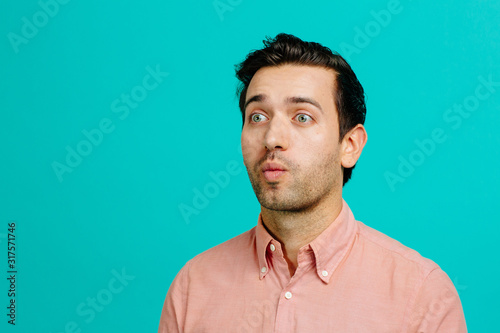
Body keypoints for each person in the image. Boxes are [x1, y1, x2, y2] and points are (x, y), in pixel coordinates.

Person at [158, 33, 467, 332]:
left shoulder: (421, 295)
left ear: (350, 145)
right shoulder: (192, 288)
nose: (272, 138)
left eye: (302, 117)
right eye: (257, 117)